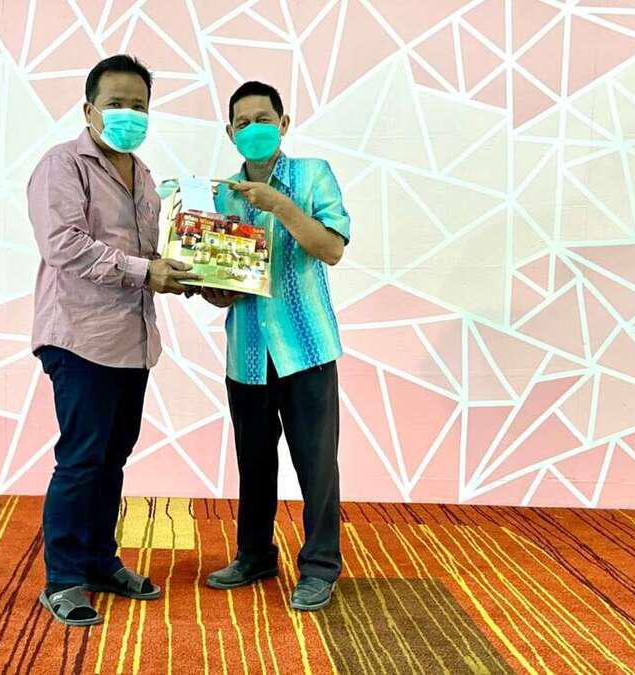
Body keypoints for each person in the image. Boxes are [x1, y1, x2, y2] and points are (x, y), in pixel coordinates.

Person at [27, 54, 200, 627]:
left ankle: (100, 561)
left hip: (132, 339)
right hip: (80, 336)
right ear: (89, 110)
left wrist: (195, 271)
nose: (129, 114)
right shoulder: (63, 164)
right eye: (116, 104)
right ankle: (63, 578)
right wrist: (148, 272)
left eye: (139, 105)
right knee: (82, 458)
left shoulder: (144, 175)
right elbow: (64, 245)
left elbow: (150, 254)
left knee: (113, 456)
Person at [202, 81, 351, 611]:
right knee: (255, 461)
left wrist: (281, 206)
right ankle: (255, 555)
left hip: (305, 347)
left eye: (263, 119)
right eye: (242, 123)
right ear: (230, 133)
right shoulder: (222, 195)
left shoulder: (313, 175)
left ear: (283, 124)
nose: (253, 129)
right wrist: (210, 286)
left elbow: (331, 249)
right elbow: (220, 283)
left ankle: (320, 566)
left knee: (317, 463)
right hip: (246, 349)